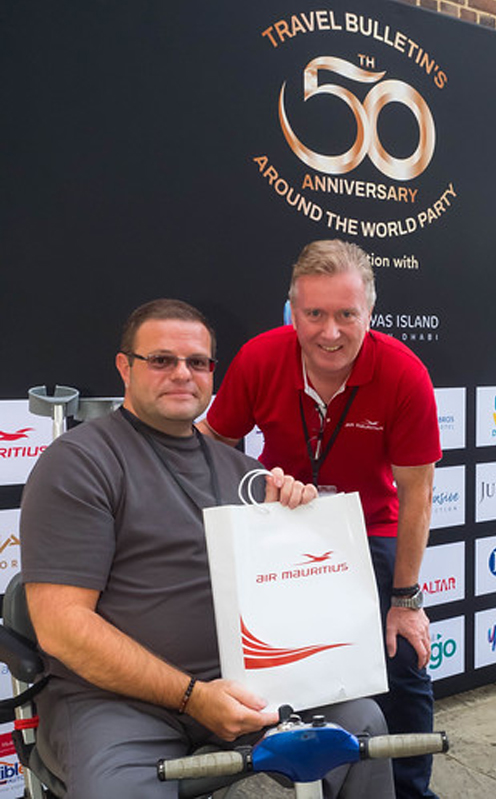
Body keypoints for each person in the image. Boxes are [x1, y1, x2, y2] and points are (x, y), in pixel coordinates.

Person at [19, 298, 394, 799]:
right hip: (114, 701)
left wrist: (296, 520)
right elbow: (62, 626)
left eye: (197, 362)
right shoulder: (79, 462)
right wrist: (194, 697)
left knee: (360, 724)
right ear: (125, 368)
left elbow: (286, 595)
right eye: (162, 360)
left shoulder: (244, 473)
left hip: (246, 686)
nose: (182, 373)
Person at [200, 240, 442, 798]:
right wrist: (247, 490)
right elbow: (212, 441)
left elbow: (418, 493)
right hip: (278, 526)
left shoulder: (403, 372)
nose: (330, 332)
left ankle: (410, 791)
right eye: (314, 314)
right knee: (271, 658)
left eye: (346, 315)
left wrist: (405, 601)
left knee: (402, 660)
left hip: (368, 529)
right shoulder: (260, 357)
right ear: (293, 311)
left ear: (369, 314)